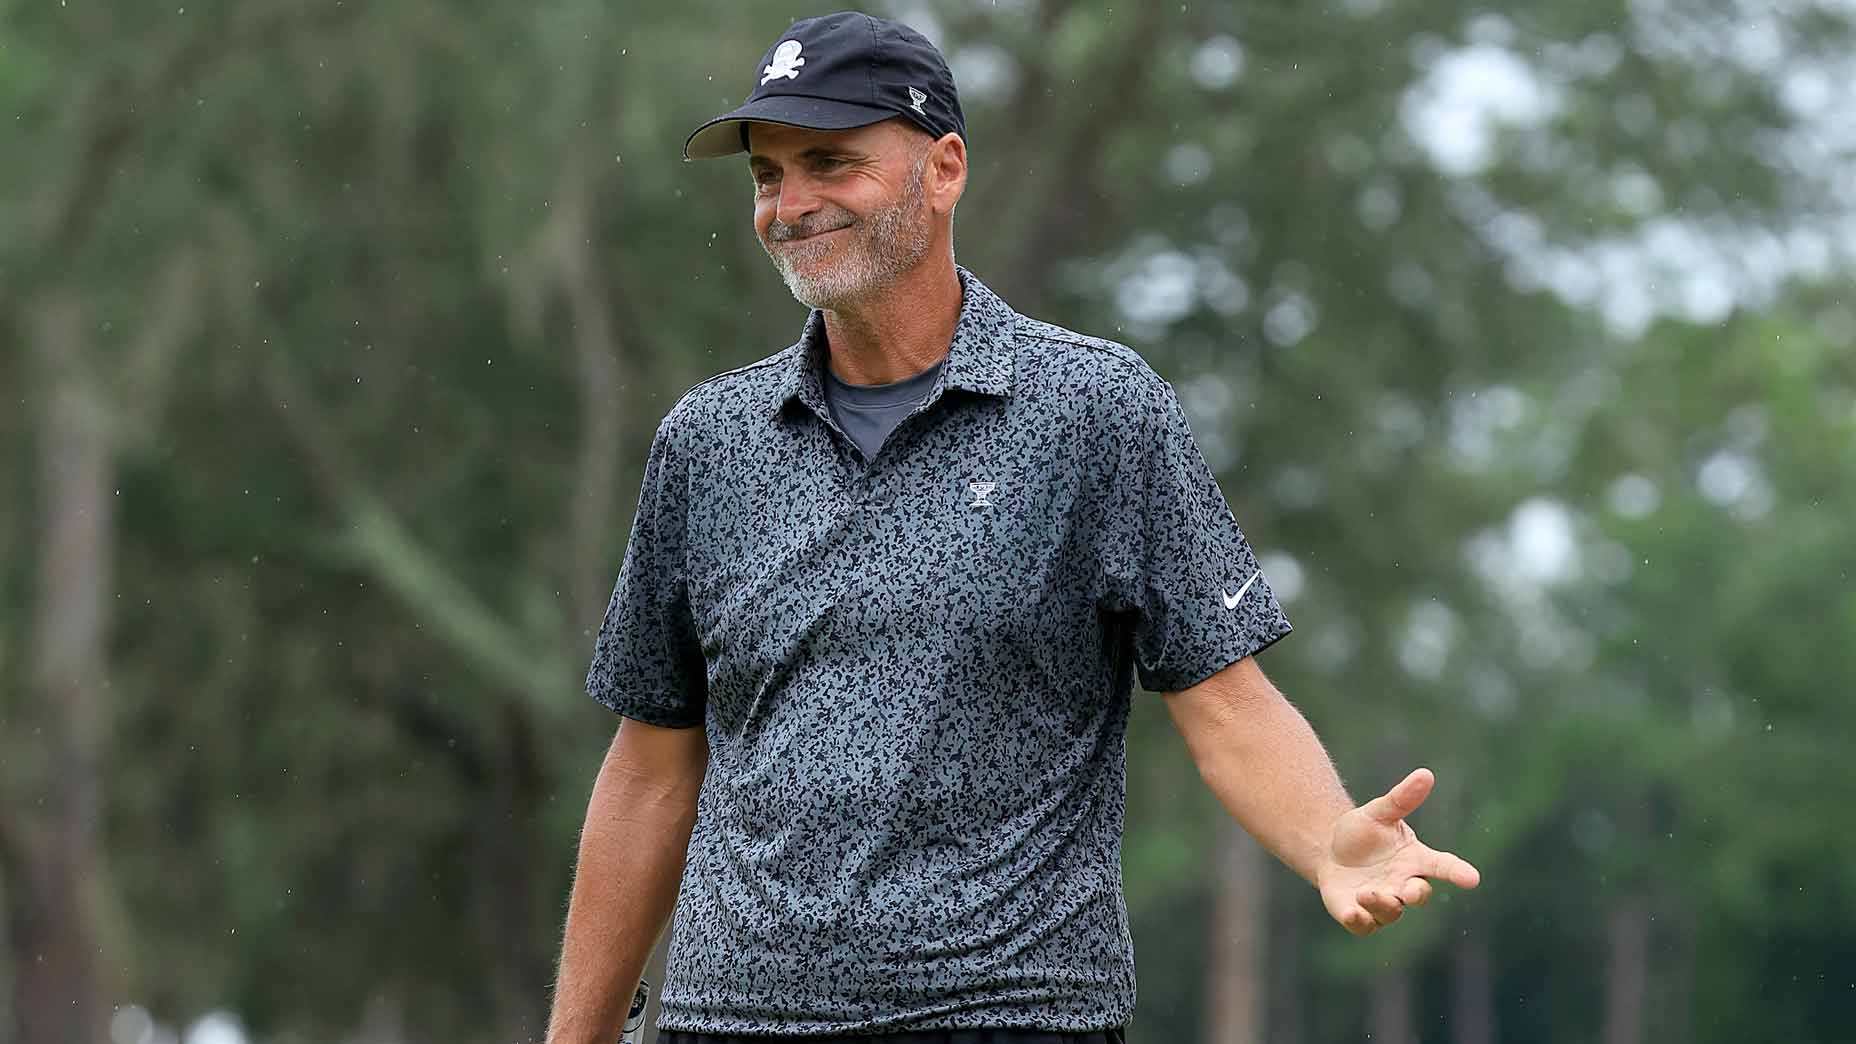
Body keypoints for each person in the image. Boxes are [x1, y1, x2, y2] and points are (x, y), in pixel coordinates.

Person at [544, 11, 1482, 1044]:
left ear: (943, 169)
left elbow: (1224, 701)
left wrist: (1325, 840)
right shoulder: (708, 440)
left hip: (1009, 1014)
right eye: (768, 175)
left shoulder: (1095, 409)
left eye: (829, 163)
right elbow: (649, 771)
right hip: (731, 1020)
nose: (790, 204)